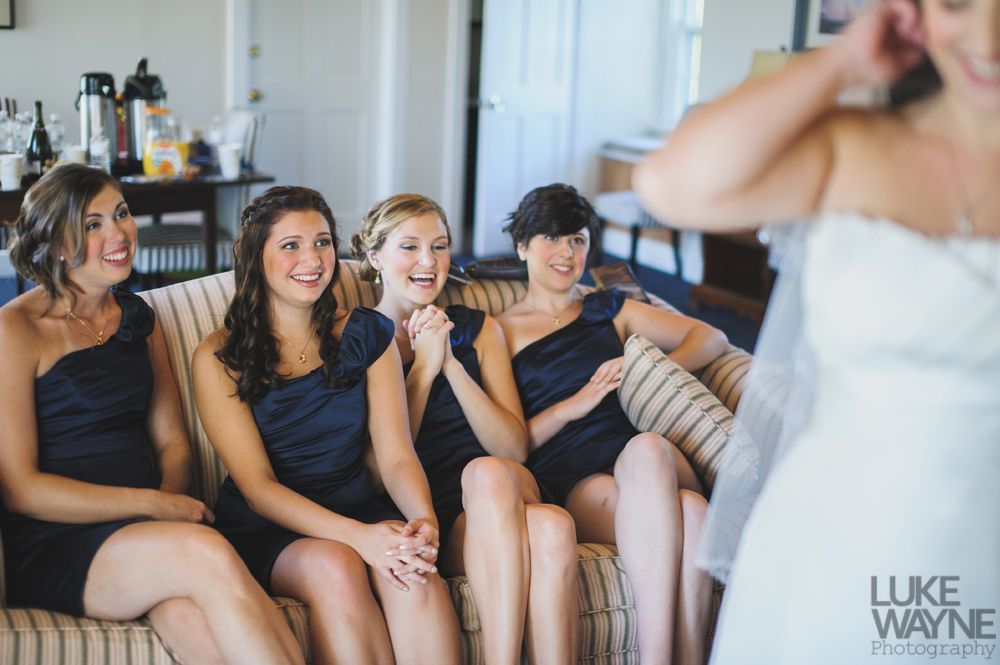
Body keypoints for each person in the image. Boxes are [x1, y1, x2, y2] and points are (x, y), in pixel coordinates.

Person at [633, 1, 1000, 663]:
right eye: (959, 5)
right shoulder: (855, 145)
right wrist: (846, 59)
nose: (991, 40)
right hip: (833, 538)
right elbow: (668, 182)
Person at [0, 163, 302, 665]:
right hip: (56, 540)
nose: (118, 233)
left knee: (193, 624)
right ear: (55, 243)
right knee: (205, 554)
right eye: (92, 224)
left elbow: (173, 443)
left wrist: (166, 503)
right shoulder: (15, 331)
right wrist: (157, 509)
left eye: (120, 213)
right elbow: (20, 488)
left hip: (149, 526)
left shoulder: (139, 319)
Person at [192, 186, 461, 665]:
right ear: (256, 257)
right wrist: (358, 538)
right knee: (334, 564)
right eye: (290, 245)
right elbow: (259, 488)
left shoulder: (365, 333)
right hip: (271, 525)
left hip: (358, 503)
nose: (312, 259)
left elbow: (397, 454)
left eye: (321, 241)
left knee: (412, 566)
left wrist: (424, 522)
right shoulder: (218, 356)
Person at [497, 183, 729, 665]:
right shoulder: (498, 330)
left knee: (646, 450)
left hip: (643, 458)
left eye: (578, 240)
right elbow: (514, 442)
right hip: (575, 476)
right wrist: (575, 404)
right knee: (694, 513)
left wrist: (648, 368)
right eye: (552, 238)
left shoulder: (608, 309)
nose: (567, 252)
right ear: (522, 246)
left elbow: (709, 336)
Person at [350, 193, 579, 665]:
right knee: (552, 528)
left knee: (487, 472)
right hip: (442, 519)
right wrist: (423, 370)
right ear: (375, 256)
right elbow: (376, 467)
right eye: (409, 247)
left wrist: (451, 363)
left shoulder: (480, 328)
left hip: (506, 485)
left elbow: (513, 448)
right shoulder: (356, 341)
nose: (428, 262)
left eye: (439, 246)